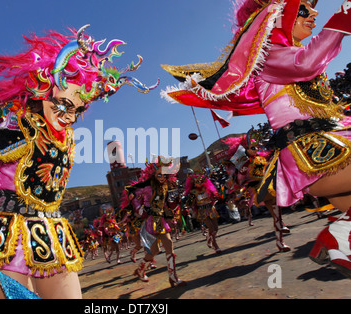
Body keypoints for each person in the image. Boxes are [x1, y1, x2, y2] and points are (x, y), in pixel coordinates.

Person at [0, 25, 158, 298]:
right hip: (4, 238)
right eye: (64, 105)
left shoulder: (68, 138)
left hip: (53, 233)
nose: (70, 117)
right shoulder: (14, 126)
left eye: (79, 109)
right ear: (43, 91)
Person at [161, 0, 351, 276]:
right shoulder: (269, 55)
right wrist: (342, 19)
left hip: (328, 145)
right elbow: (306, 63)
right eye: (303, 9)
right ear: (276, 18)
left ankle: (340, 241)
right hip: (313, 154)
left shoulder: (286, 52)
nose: (314, 13)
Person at [123, 157, 186, 287]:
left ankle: (173, 277)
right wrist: (139, 208)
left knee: (169, 244)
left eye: (164, 174)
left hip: (161, 220)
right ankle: (140, 270)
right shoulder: (146, 186)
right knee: (154, 251)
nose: (162, 177)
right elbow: (132, 194)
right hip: (150, 221)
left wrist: (173, 206)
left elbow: (167, 204)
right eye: (159, 174)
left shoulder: (165, 187)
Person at [184, 172, 222, 253]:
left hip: (211, 208)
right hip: (201, 211)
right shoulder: (193, 192)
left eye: (200, 181)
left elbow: (215, 196)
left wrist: (215, 197)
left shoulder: (207, 188)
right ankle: (215, 244)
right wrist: (190, 202)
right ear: (194, 183)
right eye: (197, 182)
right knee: (211, 227)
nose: (199, 183)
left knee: (216, 228)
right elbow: (189, 203)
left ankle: (209, 237)